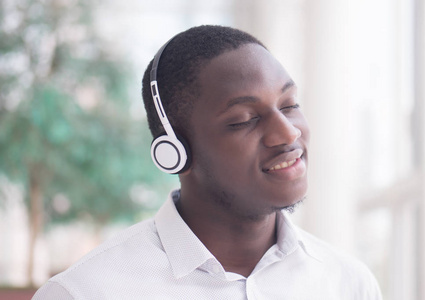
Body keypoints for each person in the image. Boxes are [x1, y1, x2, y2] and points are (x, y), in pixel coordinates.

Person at [32, 25, 382, 299]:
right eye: (244, 118)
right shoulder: (85, 293)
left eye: (289, 104)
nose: (288, 133)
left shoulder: (348, 283)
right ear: (176, 152)